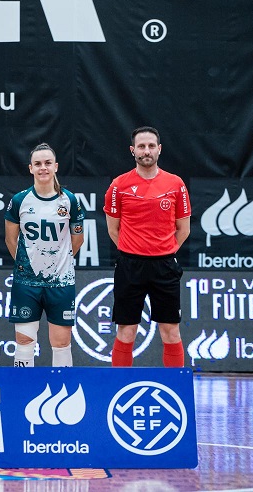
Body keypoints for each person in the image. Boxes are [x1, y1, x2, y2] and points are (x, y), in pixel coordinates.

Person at [104, 126, 191, 367]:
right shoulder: (118, 185)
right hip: (130, 266)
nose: (146, 151)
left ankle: (173, 386)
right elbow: (113, 230)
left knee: (170, 331)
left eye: (151, 146)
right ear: (132, 150)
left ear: (159, 149)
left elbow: (184, 230)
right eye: (141, 146)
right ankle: (121, 385)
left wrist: (163, 250)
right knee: (126, 331)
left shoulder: (176, 184)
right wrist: (134, 249)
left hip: (165, 266)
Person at [4, 143, 85, 367]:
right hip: (26, 283)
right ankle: (23, 386)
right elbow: (10, 240)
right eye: (38, 164)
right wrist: (28, 264)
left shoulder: (69, 200)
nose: (43, 168)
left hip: (61, 282)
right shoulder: (19, 200)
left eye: (48, 163)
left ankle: (63, 386)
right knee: (24, 342)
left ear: (56, 166)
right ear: (30, 168)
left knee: (61, 343)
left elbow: (77, 239)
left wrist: (58, 262)